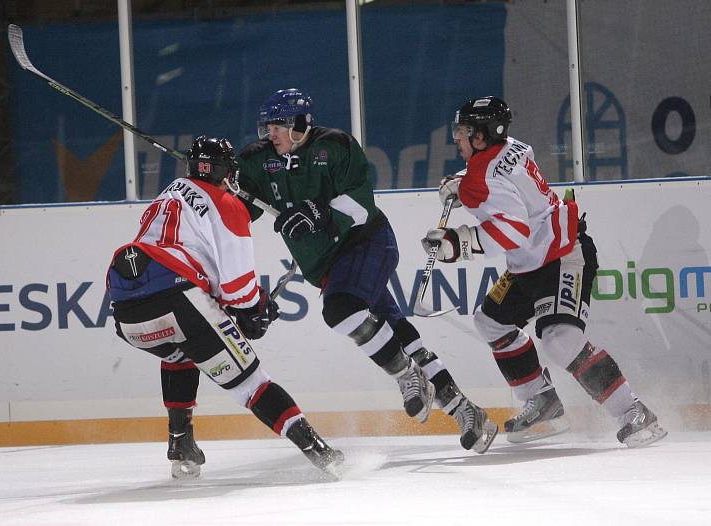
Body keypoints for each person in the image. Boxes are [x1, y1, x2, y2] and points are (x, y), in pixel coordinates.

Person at [235, 88, 498, 454]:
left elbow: (360, 203)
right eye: (268, 128)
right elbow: (239, 208)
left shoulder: (335, 146)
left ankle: (407, 375)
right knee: (393, 330)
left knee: (341, 308)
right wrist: (217, 179)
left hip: (367, 243)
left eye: (277, 127)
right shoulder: (258, 160)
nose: (271, 135)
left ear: (299, 124)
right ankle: (465, 410)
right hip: (327, 265)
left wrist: (317, 212)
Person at [424, 95, 668, 447]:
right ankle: (544, 403)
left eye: (462, 132)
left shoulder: (483, 175)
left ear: (480, 136)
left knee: (560, 340)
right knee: (491, 321)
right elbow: (504, 179)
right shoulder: (511, 145)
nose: (456, 139)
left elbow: (512, 231)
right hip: (532, 263)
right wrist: (463, 182)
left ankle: (634, 410)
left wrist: (456, 244)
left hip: (564, 255)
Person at [106, 135, 344, 478]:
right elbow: (236, 288)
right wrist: (255, 308)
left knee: (180, 353)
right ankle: (322, 454)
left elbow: (187, 263)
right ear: (226, 172)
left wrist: (239, 308)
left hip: (126, 313)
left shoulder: (168, 193)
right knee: (251, 383)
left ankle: (180, 441)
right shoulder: (227, 204)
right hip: (178, 299)